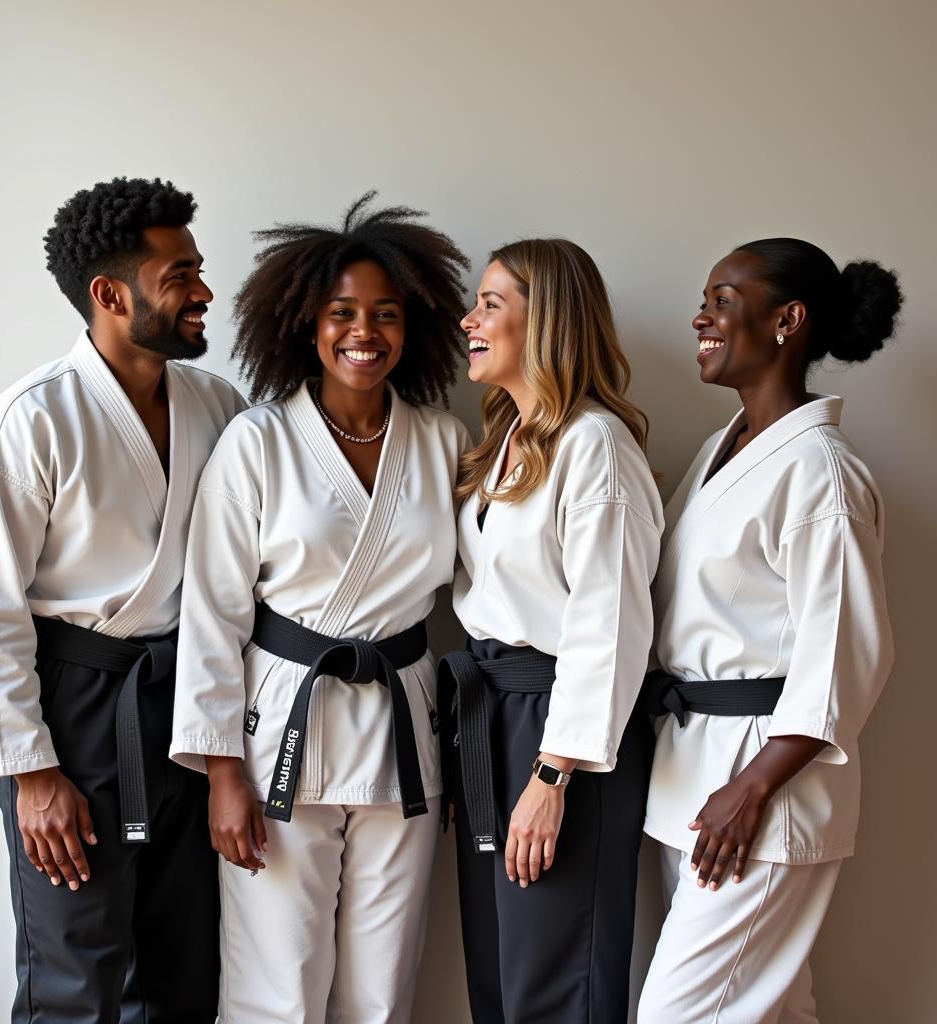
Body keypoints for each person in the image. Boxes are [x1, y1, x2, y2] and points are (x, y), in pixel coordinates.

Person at [169, 192, 470, 1023]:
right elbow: (214, 613)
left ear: (414, 328)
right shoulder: (257, 442)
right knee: (277, 986)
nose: (363, 333)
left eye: (385, 314)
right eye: (342, 313)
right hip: (278, 740)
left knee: (382, 991)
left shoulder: (444, 441)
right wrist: (220, 770)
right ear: (306, 323)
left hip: (402, 734)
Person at [0, 177, 247, 1023]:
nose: (203, 293)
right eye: (180, 275)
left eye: (198, 270)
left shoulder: (218, 406)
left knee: (181, 967)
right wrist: (32, 773)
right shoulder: (28, 422)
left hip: (185, 705)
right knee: (77, 974)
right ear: (110, 295)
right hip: (75, 716)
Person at [637, 238, 901, 1023]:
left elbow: (846, 652)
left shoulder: (820, 470)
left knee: (678, 1014)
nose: (701, 316)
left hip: (762, 788)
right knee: (773, 1009)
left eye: (723, 299)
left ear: (787, 319)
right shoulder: (730, 450)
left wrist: (752, 789)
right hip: (695, 771)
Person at [444, 238, 663, 1023]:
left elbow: (609, 625)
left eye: (491, 303)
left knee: (556, 977)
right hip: (492, 718)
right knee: (500, 973)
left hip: (562, 733)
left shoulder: (595, 445)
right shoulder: (508, 441)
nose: (469, 318)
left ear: (549, 324)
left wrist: (553, 776)